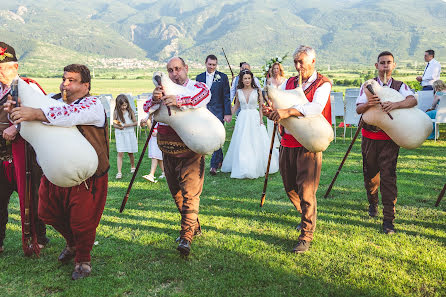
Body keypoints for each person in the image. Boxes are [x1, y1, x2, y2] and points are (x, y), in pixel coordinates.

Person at [8, 64, 109, 279]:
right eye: (64, 79)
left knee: (82, 221)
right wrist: (15, 111)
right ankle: (72, 243)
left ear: (85, 85)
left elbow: (69, 115)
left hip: (87, 175)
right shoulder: (53, 101)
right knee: (46, 213)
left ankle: (83, 259)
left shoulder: (93, 104)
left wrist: (35, 112)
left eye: (72, 80)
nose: (65, 84)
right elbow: (34, 121)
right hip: (53, 172)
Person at [263, 45, 332, 253]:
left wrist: (288, 111)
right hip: (287, 142)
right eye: (295, 62)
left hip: (309, 144)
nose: (297, 65)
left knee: (307, 190)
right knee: (290, 187)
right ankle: (305, 217)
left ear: (313, 61)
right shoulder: (289, 82)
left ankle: (306, 234)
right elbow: (278, 106)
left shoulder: (323, 83)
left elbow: (315, 108)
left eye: (301, 61)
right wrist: (272, 111)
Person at [143, 57, 210, 256]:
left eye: (178, 69)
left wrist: (178, 100)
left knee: (190, 193)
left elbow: (203, 97)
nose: (174, 73)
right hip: (167, 150)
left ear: (186, 69)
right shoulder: (162, 90)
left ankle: (186, 236)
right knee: (176, 193)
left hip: (190, 149)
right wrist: (155, 99)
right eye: (170, 70)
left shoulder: (197, 86)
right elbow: (147, 109)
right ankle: (194, 226)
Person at [356, 51, 417, 234]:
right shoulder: (367, 85)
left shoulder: (400, 86)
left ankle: (389, 220)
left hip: (390, 139)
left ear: (394, 65)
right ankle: (373, 202)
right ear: (376, 66)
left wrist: (396, 104)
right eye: (382, 63)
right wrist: (369, 103)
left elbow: (413, 100)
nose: (385, 66)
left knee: (389, 178)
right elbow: (359, 109)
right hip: (369, 138)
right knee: (370, 177)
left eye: (388, 63)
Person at [0, 41, 48, 256]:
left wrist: (16, 129)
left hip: (25, 155)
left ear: (15, 67)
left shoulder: (29, 87)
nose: (0, 72)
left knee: (32, 199)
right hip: (2, 155)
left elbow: (43, 114)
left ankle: (38, 237)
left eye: (3, 67)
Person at [221, 70, 278, 179]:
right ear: (241, 80)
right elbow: (236, 106)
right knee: (242, 141)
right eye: (245, 78)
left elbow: (261, 106)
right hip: (242, 118)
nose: (247, 80)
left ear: (251, 79)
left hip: (254, 117)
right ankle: (243, 165)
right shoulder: (239, 91)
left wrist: (261, 120)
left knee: (254, 141)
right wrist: (228, 114)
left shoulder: (257, 91)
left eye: (249, 78)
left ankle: (255, 165)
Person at [196, 55, 231, 175]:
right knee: (205, 136)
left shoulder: (223, 77)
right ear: (205, 63)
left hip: (218, 111)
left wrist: (227, 113)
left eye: (214, 65)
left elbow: (227, 96)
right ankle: (219, 159)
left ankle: (213, 165)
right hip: (203, 112)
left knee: (217, 136)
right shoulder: (199, 78)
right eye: (210, 64)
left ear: (216, 65)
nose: (211, 67)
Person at [113, 94, 137, 179]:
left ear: (127, 104)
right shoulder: (116, 112)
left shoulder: (130, 111)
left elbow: (135, 123)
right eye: (122, 105)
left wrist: (126, 125)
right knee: (120, 152)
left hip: (129, 133)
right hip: (120, 134)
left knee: (130, 152)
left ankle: (133, 167)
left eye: (125, 105)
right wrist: (119, 126)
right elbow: (114, 123)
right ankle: (119, 172)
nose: (123, 107)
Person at [141, 115, 164, 183]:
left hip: (159, 135)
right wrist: (143, 122)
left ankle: (151, 174)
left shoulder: (161, 113)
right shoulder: (151, 113)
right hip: (153, 137)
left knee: (155, 155)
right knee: (158, 156)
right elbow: (143, 124)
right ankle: (165, 172)